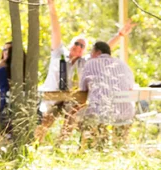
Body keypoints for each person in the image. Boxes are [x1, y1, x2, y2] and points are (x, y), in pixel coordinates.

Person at [36, 0, 135, 142]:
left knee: (72, 116)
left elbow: (104, 50)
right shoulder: (59, 54)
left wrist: (119, 36)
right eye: (77, 43)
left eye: (82, 46)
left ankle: (61, 143)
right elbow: (56, 30)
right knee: (46, 121)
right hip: (54, 97)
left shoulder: (85, 62)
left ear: (85, 51)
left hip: (71, 98)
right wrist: (52, 7)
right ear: (70, 44)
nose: (79, 46)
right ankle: (36, 144)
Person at [78, 41, 135, 147]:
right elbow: (130, 88)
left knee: (79, 116)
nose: (90, 55)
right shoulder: (123, 64)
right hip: (125, 114)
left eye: (91, 52)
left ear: (97, 52)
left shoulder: (90, 63)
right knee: (114, 116)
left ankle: (96, 144)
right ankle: (119, 144)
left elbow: (82, 89)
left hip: (101, 113)